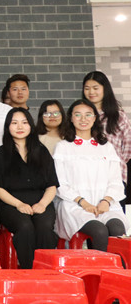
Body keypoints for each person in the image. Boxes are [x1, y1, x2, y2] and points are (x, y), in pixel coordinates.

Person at [54, 99, 128, 251]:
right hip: (75, 206)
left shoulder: (106, 147)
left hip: (105, 205)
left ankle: (117, 267)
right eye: (78, 115)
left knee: (117, 229)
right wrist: (83, 203)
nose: (83, 119)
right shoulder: (63, 147)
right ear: (71, 118)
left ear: (95, 118)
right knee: (99, 231)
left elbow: (115, 181)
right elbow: (60, 183)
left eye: (88, 115)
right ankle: (100, 266)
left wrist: (106, 201)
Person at [0, 108, 58, 270]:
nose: (20, 127)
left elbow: (52, 185)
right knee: (25, 227)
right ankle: (29, 271)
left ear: (31, 126)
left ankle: (45, 271)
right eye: (14, 123)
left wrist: (42, 204)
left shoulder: (41, 151)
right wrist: (19, 204)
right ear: (8, 127)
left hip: (40, 201)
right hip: (10, 203)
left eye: (24, 122)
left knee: (44, 228)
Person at [82, 71, 131, 197]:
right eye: (87, 88)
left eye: (95, 88)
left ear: (105, 89)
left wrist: (114, 161)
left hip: (114, 176)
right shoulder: (80, 116)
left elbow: (128, 148)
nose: (91, 92)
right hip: (86, 177)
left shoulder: (118, 116)